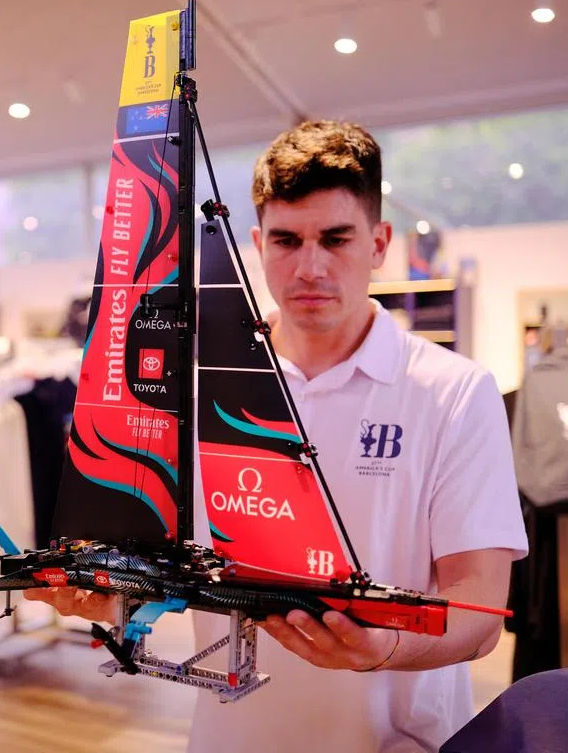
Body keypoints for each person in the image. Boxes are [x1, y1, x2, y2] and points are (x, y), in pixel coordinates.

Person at [26, 119, 529, 752]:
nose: (310, 266)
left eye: (335, 239)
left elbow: (481, 613)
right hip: (228, 736)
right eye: (287, 241)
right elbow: (181, 564)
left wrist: (383, 649)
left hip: (392, 741)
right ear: (259, 244)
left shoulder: (454, 392)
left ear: (379, 243)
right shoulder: (198, 385)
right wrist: (113, 599)